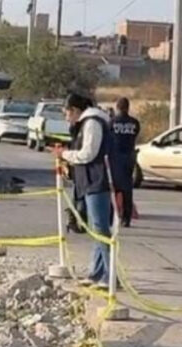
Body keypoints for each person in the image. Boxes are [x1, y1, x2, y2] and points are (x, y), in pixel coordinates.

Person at [53, 92, 114, 286]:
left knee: (101, 229)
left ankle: (111, 275)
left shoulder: (92, 123)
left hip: (97, 181)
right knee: (95, 228)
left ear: (76, 110)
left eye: (66, 113)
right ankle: (96, 273)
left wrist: (66, 154)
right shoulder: (83, 125)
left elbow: (89, 153)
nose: (66, 118)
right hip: (86, 182)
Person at [111, 97, 141, 228]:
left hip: (115, 158)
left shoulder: (112, 122)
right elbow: (135, 136)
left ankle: (111, 216)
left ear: (117, 107)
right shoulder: (134, 123)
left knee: (113, 189)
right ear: (128, 108)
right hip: (129, 157)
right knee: (127, 190)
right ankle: (126, 219)